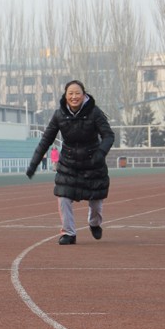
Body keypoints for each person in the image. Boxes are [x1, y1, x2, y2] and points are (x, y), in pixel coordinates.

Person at [26, 80, 114, 245]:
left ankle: (94, 223)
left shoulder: (95, 113)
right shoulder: (59, 115)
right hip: (68, 164)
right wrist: (34, 164)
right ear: (66, 96)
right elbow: (46, 140)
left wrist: (100, 153)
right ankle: (68, 233)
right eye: (70, 93)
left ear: (84, 95)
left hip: (93, 163)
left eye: (77, 93)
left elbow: (108, 135)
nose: (74, 97)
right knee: (63, 197)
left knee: (96, 201)